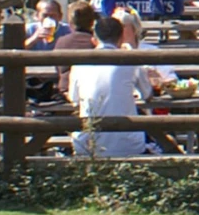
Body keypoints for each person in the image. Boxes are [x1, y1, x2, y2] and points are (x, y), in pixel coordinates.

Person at [65, 15, 153, 157]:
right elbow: (147, 94)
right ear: (121, 38)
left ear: (94, 37)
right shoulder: (131, 61)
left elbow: (74, 99)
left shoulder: (79, 64)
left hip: (87, 143)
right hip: (128, 144)